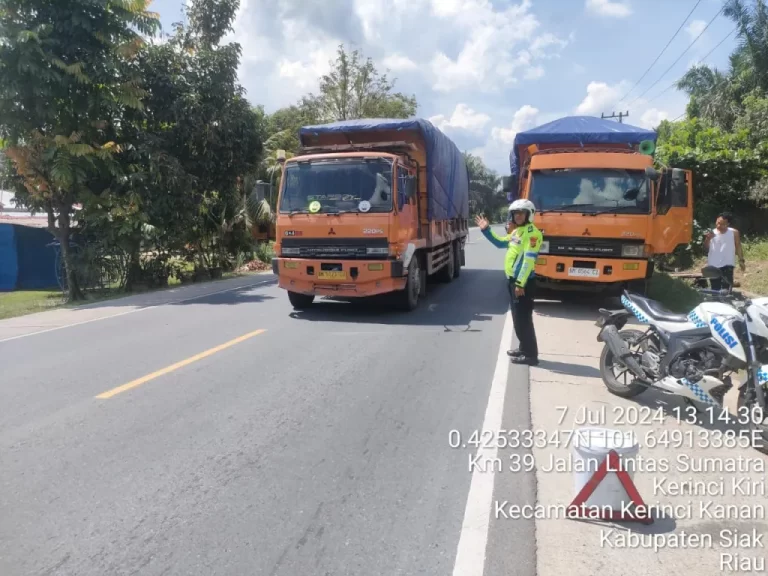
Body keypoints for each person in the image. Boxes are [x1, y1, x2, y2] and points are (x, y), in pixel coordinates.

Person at [475, 199, 543, 366]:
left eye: (521, 213)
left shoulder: (532, 234)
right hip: (513, 281)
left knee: (524, 319)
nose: (518, 216)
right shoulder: (517, 232)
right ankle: (523, 347)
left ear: (529, 214)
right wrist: (486, 230)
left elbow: (528, 261)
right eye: (515, 213)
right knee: (517, 318)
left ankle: (531, 355)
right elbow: (500, 243)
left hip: (523, 283)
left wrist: (520, 283)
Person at [703, 212, 746, 291]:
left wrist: (741, 260)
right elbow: (706, 248)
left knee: (726, 290)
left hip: (728, 265)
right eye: (718, 223)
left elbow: (738, 246)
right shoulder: (712, 233)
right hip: (713, 265)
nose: (719, 226)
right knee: (715, 290)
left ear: (728, 224)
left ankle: (727, 302)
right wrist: (708, 239)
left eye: (722, 224)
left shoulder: (734, 232)